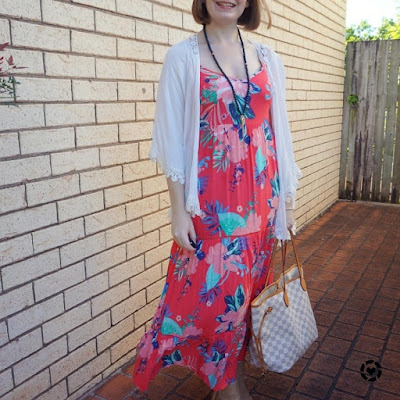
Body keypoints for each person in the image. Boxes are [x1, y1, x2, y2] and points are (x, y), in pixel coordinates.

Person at [132, 1, 302, 398]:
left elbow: (280, 136)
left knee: (240, 311)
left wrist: (287, 202)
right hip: (211, 214)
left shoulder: (267, 57)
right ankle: (230, 391)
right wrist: (178, 212)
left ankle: (226, 380)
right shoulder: (182, 58)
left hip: (262, 211)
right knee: (214, 307)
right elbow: (171, 142)